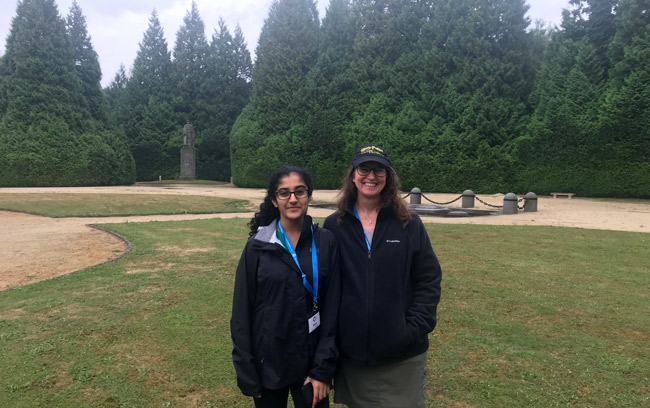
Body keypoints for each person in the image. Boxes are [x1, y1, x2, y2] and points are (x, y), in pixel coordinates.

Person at [323, 145, 442, 407]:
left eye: (379, 170)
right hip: (353, 356)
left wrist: (411, 329)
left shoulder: (408, 223)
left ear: (388, 177)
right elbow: (327, 284)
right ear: (353, 175)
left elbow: (428, 279)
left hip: (403, 357)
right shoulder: (334, 225)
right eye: (364, 169)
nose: (371, 176)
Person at [231, 166, 340, 408]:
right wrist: (248, 374)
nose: (292, 198)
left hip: (311, 365)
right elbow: (241, 313)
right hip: (268, 365)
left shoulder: (326, 242)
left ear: (309, 196)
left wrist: (323, 370)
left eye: (299, 191)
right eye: (284, 193)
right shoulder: (257, 246)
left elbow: (333, 311)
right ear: (274, 199)